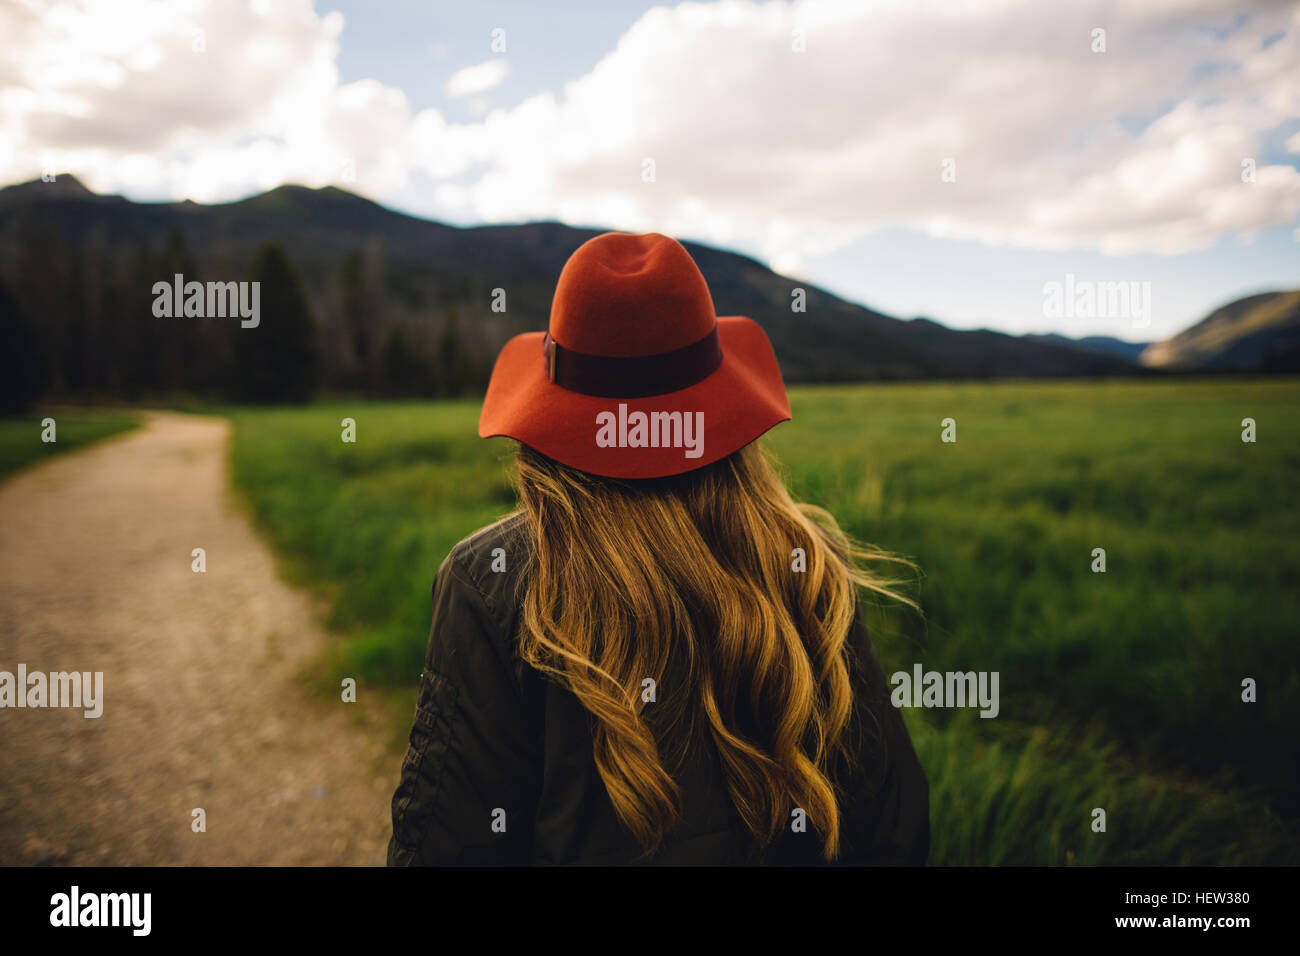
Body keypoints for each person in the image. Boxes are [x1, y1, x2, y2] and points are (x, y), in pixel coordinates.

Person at [387, 232, 929, 865]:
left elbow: (445, 847)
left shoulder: (491, 582)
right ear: (718, 404)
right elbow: (894, 832)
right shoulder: (810, 567)